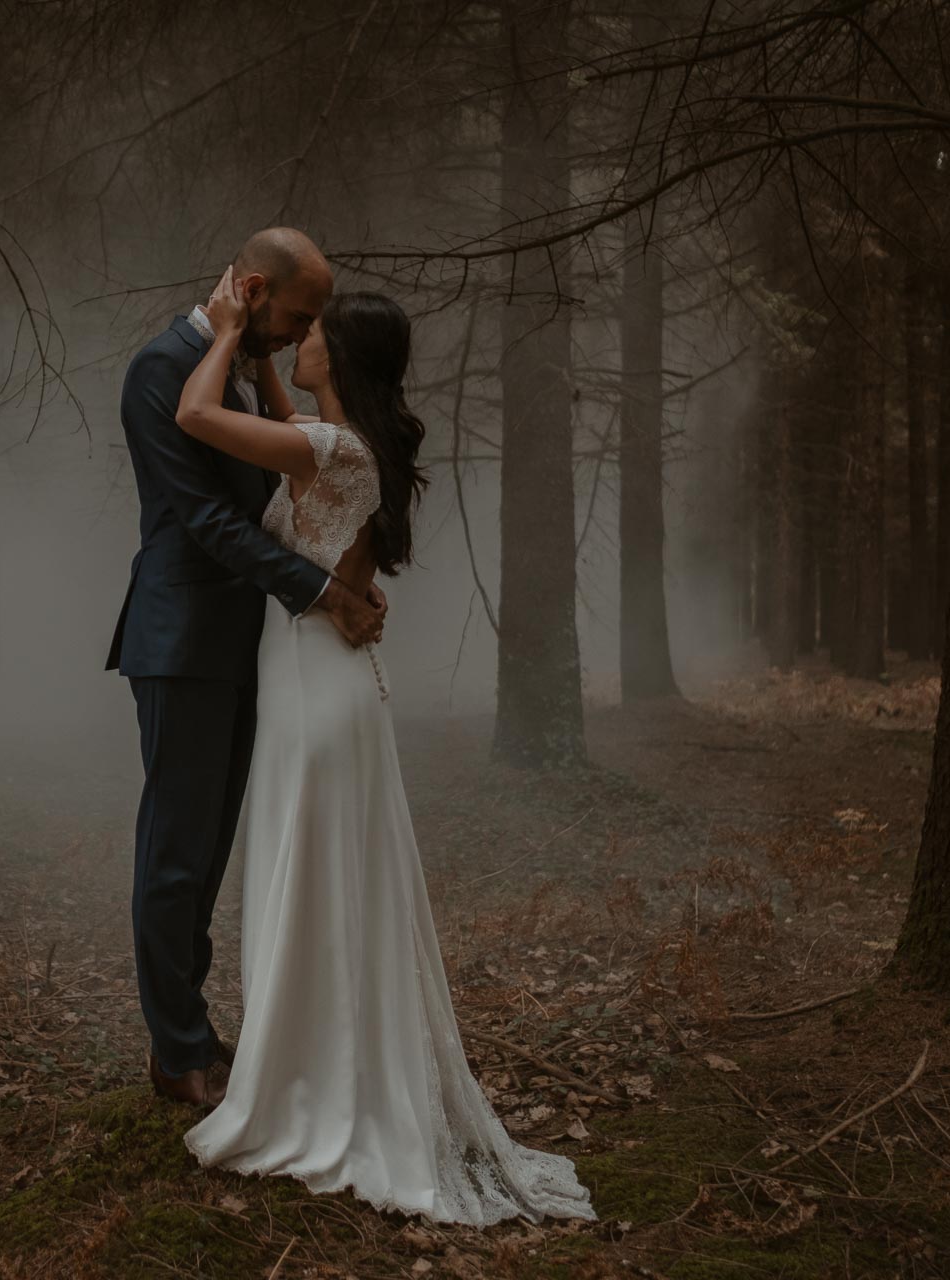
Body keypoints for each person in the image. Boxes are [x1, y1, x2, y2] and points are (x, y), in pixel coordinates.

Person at [167, 266, 597, 1225]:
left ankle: (310, 1093)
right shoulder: (345, 444)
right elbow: (296, 438)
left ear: (341, 356)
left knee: (310, 880)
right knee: (317, 881)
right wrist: (273, 370)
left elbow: (198, 415)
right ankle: (317, 1074)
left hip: (317, 694)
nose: (301, 335)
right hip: (320, 685)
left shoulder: (332, 448)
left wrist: (226, 333)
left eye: (316, 330)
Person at [107, 228, 386, 1110]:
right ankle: (176, 1050)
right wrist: (322, 594)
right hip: (182, 640)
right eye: (298, 315)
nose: (304, 333)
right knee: (177, 853)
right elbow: (204, 523)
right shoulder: (163, 368)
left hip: (243, 645)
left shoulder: (233, 367)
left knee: (211, 849)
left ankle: (193, 1032)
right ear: (255, 289)